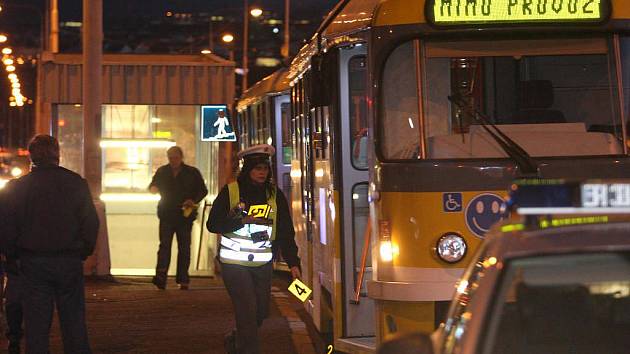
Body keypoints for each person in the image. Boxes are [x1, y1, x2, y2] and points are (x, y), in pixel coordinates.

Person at [1, 134, 99, 354]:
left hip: (33, 262)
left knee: (36, 326)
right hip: (69, 260)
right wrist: (83, 250)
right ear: (58, 154)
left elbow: (7, 225)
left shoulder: (17, 188)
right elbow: (91, 222)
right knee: (73, 322)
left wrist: (11, 256)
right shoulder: (76, 183)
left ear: (31, 156)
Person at [207, 144, 301, 354]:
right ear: (248, 169)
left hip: (262, 264)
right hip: (234, 265)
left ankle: (236, 338)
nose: (262, 173)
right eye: (257, 168)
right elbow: (213, 224)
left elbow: (286, 231)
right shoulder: (231, 192)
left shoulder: (274, 196)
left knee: (260, 313)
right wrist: (242, 221)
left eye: (265, 169)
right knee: (247, 311)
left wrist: (293, 263)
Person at [149, 146, 207, 290]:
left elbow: (202, 191)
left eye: (175, 158)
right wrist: (153, 188)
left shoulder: (192, 173)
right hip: (167, 214)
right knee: (165, 246)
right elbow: (153, 185)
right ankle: (161, 277)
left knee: (184, 248)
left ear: (181, 157)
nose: (172, 161)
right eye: (170, 158)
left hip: (184, 215)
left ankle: (183, 278)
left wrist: (193, 200)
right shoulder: (163, 171)